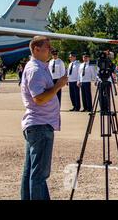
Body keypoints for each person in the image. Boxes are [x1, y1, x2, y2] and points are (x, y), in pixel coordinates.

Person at [20, 36, 68, 200]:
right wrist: (57, 86)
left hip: (37, 124)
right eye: (47, 47)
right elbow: (39, 98)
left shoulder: (39, 67)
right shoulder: (35, 70)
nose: (50, 50)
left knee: (31, 173)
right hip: (40, 125)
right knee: (39, 175)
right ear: (36, 49)